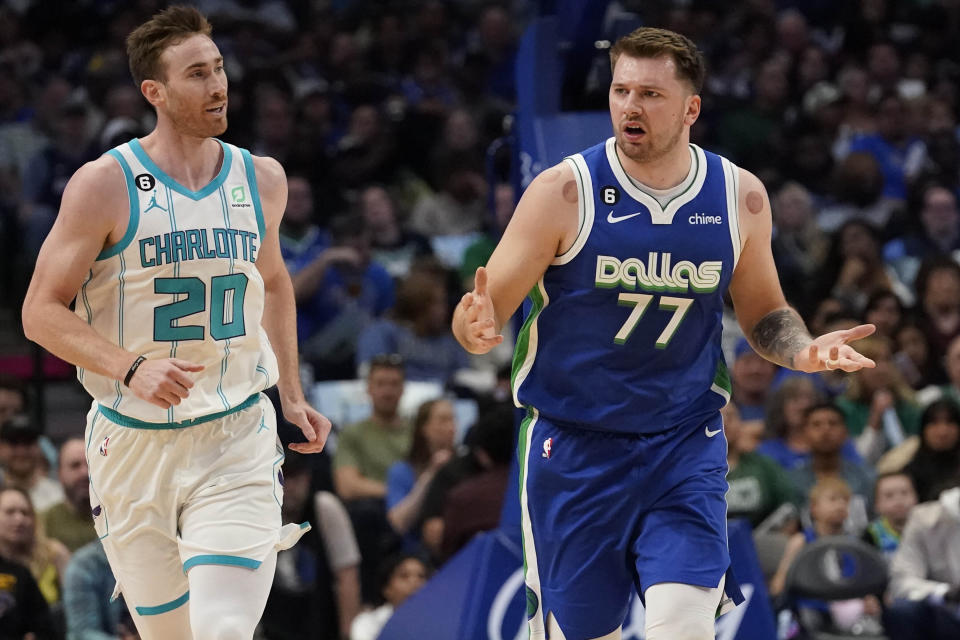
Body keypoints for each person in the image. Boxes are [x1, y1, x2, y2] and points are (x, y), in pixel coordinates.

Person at [452, 26, 876, 640]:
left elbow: (764, 316)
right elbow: (485, 315)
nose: (629, 106)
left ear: (690, 108)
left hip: (683, 442)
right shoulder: (563, 191)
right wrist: (473, 327)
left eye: (650, 93)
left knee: (683, 627)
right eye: (621, 90)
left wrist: (805, 350)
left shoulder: (740, 198)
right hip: (574, 448)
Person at [19, 6, 332, 638]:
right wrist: (127, 366)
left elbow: (271, 280)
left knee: (223, 630)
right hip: (132, 445)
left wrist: (290, 394)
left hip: (234, 435)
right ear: (154, 92)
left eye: (218, 69)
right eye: (197, 74)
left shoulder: (261, 178)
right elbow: (38, 312)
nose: (218, 85)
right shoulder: (105, 185)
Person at [884, 478, 960, 640]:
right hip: (948, 613)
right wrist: (945, 592)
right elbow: (902, 581)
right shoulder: (925, 519)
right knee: (902, 610)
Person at [385, 398, 456, 545]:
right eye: (443, 420)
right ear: (424, 428)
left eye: (453, 419)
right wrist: (431, 473)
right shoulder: (402, 471)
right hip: (416, 550)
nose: (451, 427)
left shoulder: (466, 465)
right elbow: (398, 522)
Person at [0, 486, 70, 606]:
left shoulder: (55, 553)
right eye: (10, 512)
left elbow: (75, 601)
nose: (19, 519)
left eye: (25, 513)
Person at [349, 552, 429, 640]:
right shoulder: (368, 623)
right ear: (386, 589)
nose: (415, 583)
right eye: (404, 576)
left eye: (421, 576)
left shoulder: (436, 622)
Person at [40, 438, 97, 553]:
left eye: (90, 464)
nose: (84, 473)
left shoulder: (117, 517)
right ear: (59, 474)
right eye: (75, 466)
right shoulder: (44, 522)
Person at [862, 471, 917, 560]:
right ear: (877, 504)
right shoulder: (871, 535)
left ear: (916, 498)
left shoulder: (928, 529)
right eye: (889, 496)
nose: (899, 501)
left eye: (904, 493)